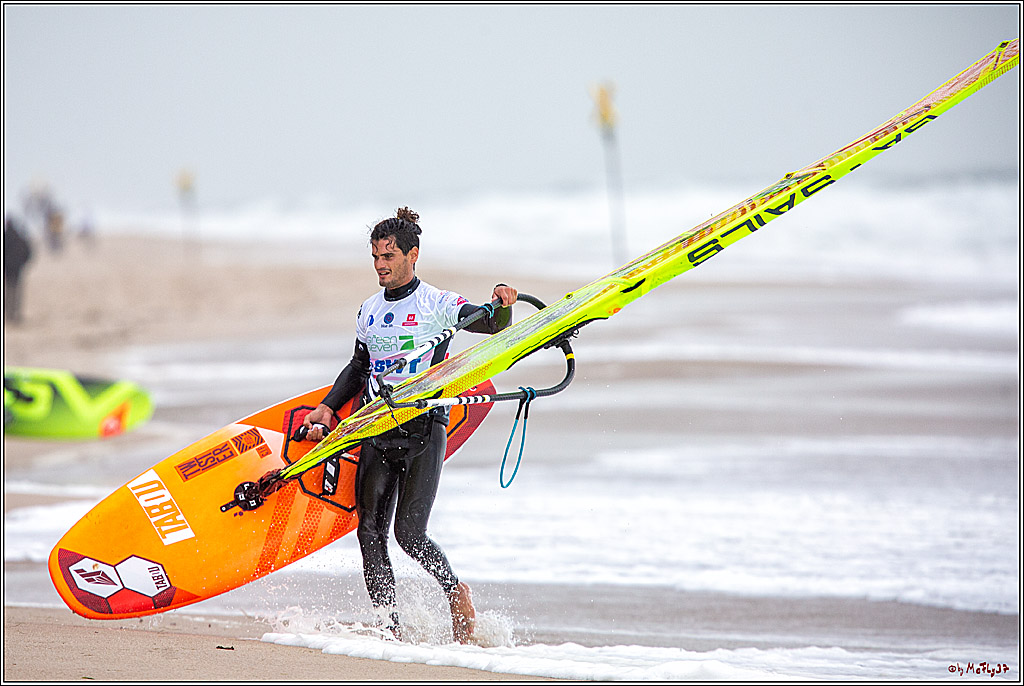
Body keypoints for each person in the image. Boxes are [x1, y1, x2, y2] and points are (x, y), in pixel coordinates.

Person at [301, 207, 518, 643]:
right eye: (376, 256)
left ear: (412, 255)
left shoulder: (438, 304)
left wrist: (502, 302)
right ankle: (390, 628)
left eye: (389, 255)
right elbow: (359, 365)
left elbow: (492, 324)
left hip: (423, 427)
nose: (381, 264)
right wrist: (328, 407)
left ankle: (455, 591)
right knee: (368, 532)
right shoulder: (368, 310)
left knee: (410, 534)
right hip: (377, 425)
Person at [4, 214, 33, 323]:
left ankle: (8, 313)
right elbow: (28, 252)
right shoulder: (20, 237)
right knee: (16, 291)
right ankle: (15, 313)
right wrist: (23, 264)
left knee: (9, 290)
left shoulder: (6, 237)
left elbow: (28, 252)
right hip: (17, 269)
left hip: (8, 269)